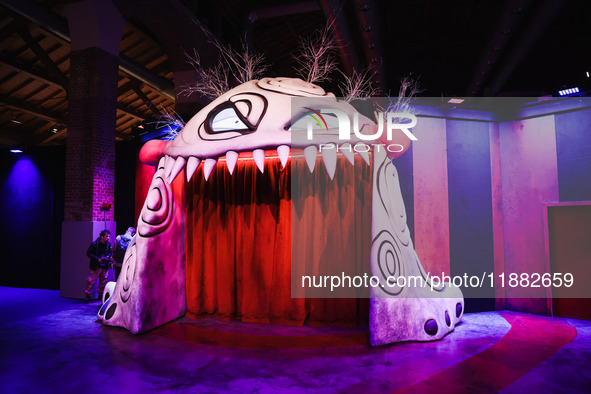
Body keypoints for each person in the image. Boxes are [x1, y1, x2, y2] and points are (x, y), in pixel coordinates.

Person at [84, 230, 112, 303]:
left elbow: (110, 252)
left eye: (109, 236)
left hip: (104, 266)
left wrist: (107, 257)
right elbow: (88, 253)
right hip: (96, 266)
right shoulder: (95, 244)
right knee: (91, 281)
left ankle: (100, 295)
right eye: (107, 236)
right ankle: (87, 295)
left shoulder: (108, 244)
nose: (108, 238)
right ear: (102, 236)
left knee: (103, 281)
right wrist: (97, 259)